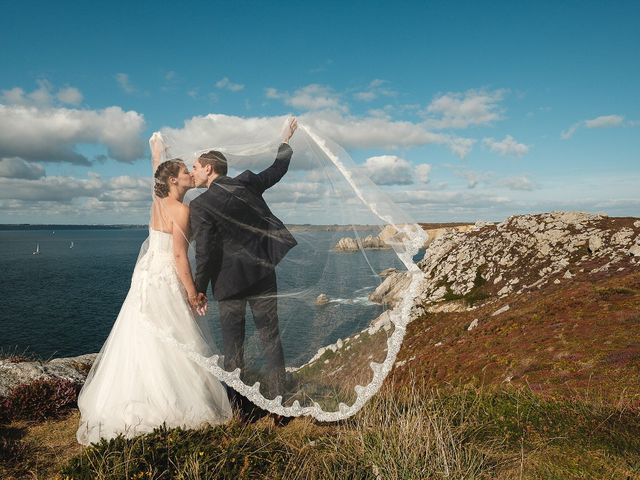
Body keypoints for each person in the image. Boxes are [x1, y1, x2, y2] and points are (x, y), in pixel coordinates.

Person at [76, 141, 232, 446]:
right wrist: (193, 293)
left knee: (144, 335)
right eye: (186, 171)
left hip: (147, 277)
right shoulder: (181, 210)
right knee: (176, 335)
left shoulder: (157, 201)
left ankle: (137, 395)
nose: (191, 173)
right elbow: (178, 256)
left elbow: (155, 179)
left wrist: (156, 155)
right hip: (166, 277)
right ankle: (172, 404)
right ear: (174, 180)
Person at [189, 117, 298, 411]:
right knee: (271, 339)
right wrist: (285, 141)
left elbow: (206, 253)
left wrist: (198, 288)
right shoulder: (248, 183)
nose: (193, 172)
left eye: (196, 167)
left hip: (229, 284)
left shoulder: (200, 205)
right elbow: (278, 170)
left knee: (233, 348)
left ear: (209, 168)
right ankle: (279, 405)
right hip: (263, 274)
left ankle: (240, 408)